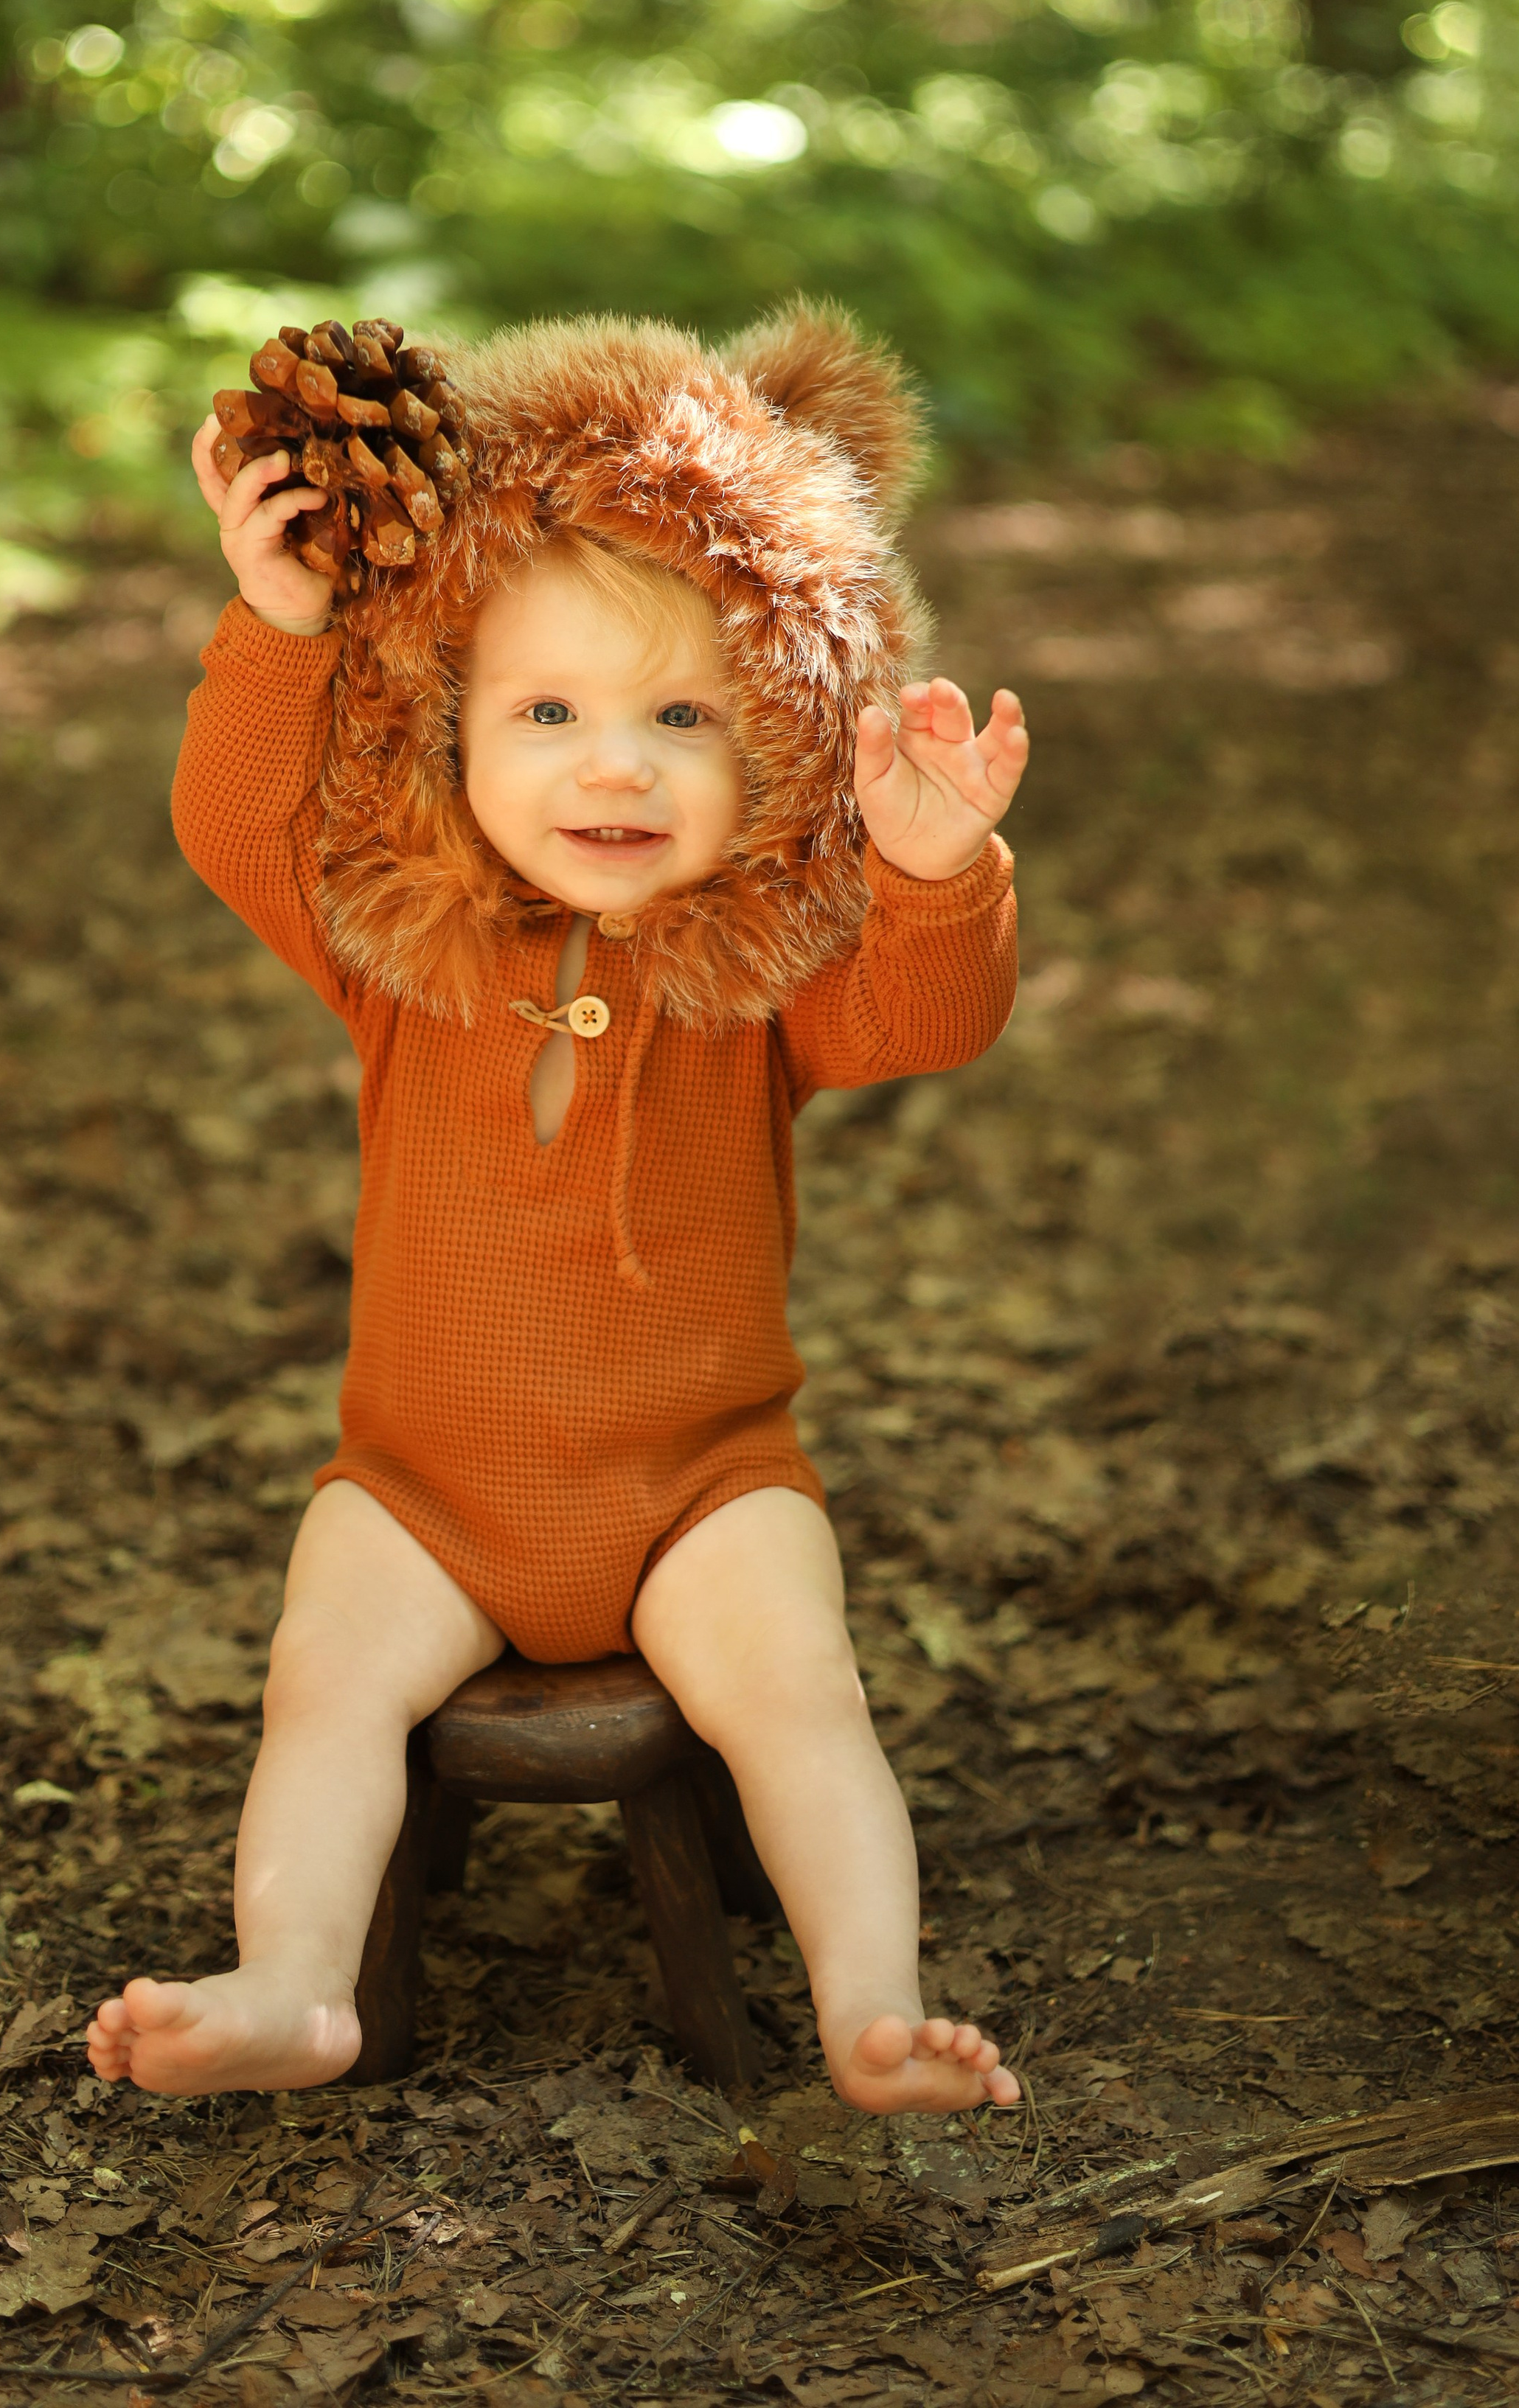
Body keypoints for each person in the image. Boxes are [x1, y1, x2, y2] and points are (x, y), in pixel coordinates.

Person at [88, 307, 1029, 2115]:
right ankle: (291, 1984)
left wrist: (932, 868)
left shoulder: (760, 973)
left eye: (683, 717)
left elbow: (931, 1015)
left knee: (799, 1696)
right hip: (423, 1488)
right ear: (438, 720)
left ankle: (869, 2012)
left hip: (702, 1483)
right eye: (546, 713)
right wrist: (280, 632)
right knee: (323, 1684)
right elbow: (237, 825)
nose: (615, 767)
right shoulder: (395, 947)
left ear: (779, 737)